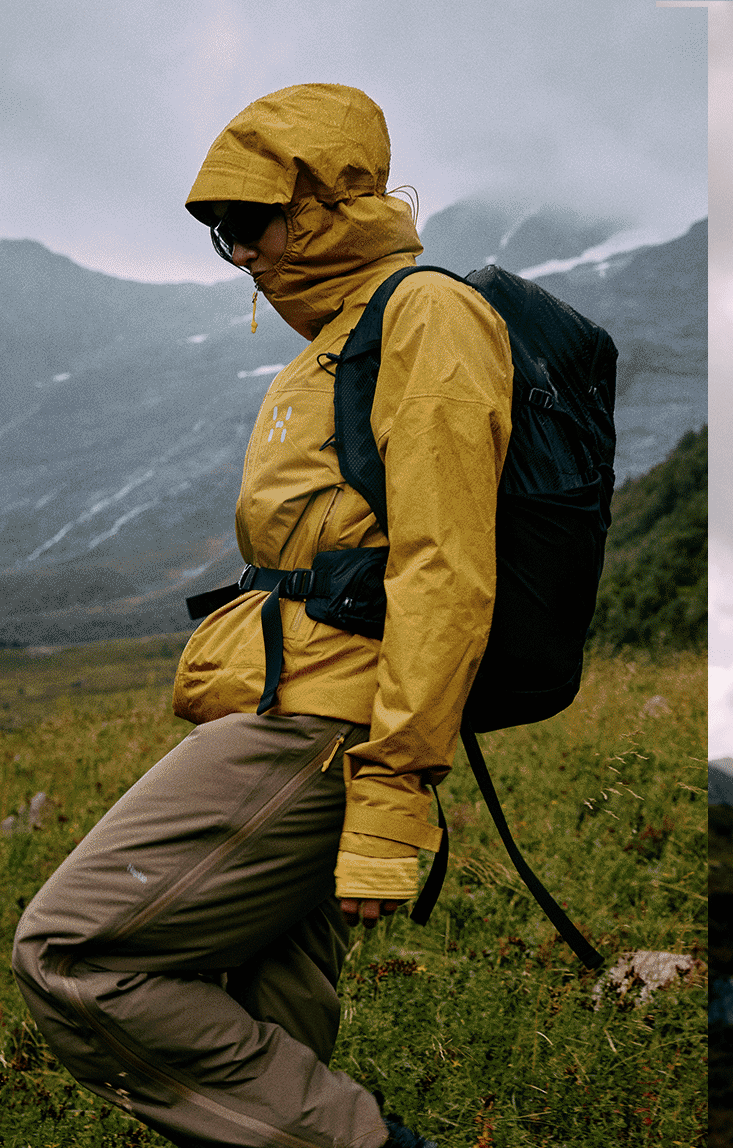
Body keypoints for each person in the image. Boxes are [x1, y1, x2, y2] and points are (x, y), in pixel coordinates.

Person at [10, 83, 507, 1148]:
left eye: (249, 222)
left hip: (330, 725)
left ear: (326, 199)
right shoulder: (326, 345)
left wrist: (388, 802)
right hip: (300, 706)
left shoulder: (424, 314)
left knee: (70, 952)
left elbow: (445, 568)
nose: (237, 254)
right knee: (272, 1015)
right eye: (219, 233)